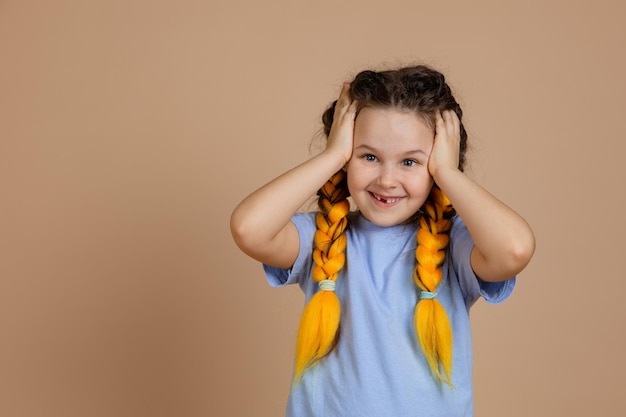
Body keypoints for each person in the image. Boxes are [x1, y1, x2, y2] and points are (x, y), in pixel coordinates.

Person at [230, 65, 535, 417]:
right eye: (369, 156)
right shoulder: (321, 238)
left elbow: (515, 249)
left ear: (437, 165)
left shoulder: (454, 247)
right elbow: (248, 228)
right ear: (347, 157)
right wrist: (331, 157)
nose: (387, 180)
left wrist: (448, 173)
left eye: (410, 161)